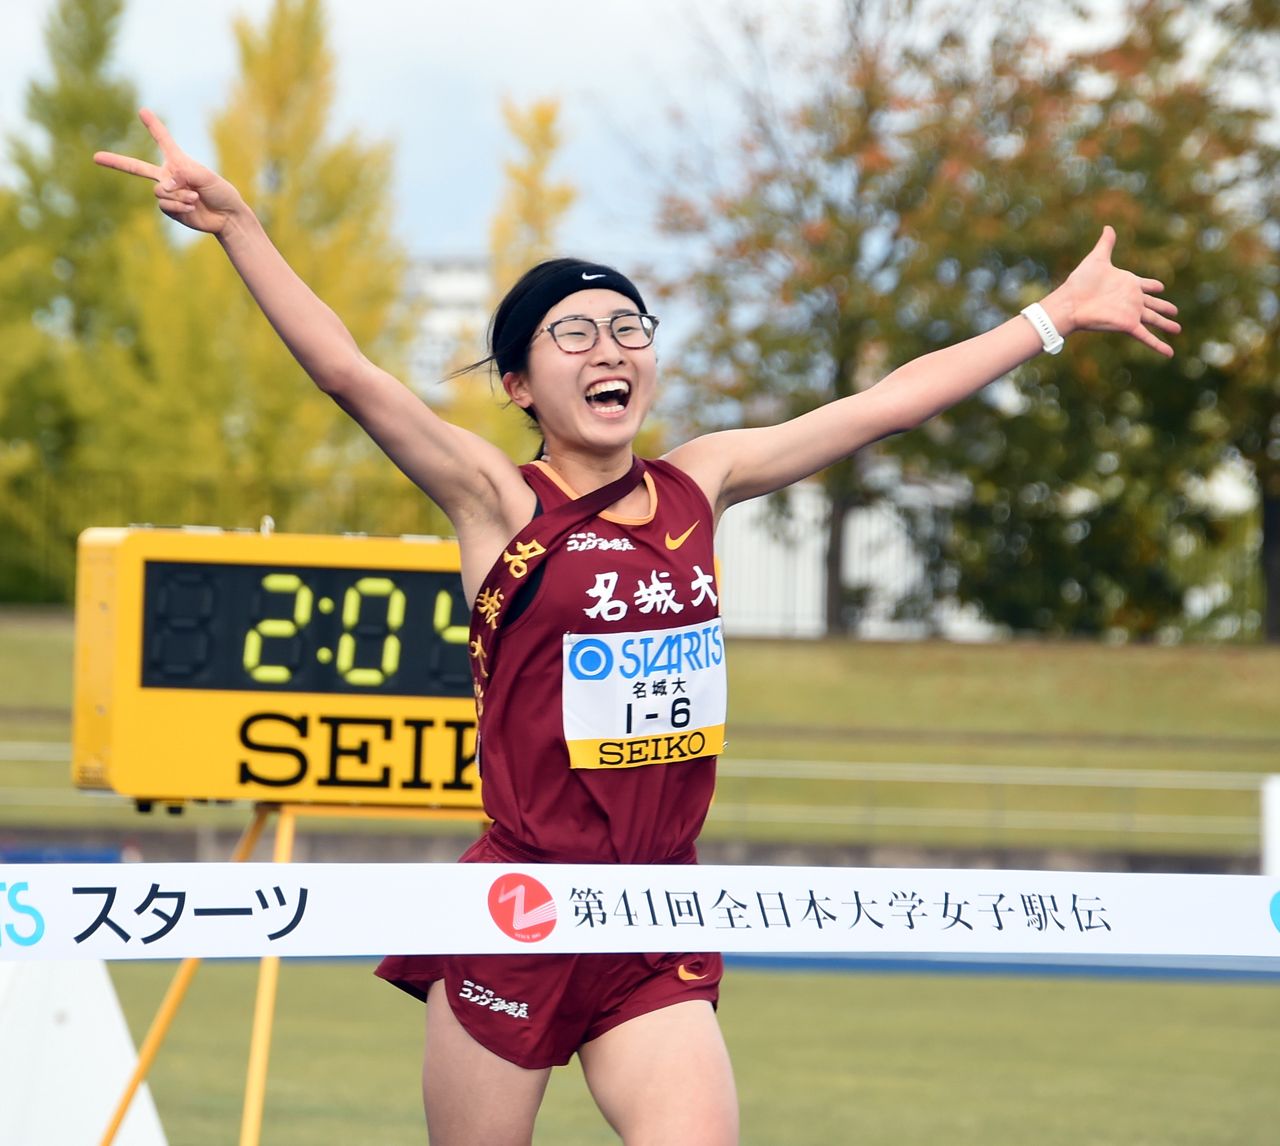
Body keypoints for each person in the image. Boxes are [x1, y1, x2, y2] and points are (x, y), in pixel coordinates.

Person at [95, 108, 1179, 1146]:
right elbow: (348, 374)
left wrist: (1049, 318)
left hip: (656, 903)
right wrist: (239, 228)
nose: (608, 346)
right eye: (572, 333)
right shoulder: (494, 500)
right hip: (520, 909)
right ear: (519, 382)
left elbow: (883, 405)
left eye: (627, 328)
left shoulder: (701, 478)